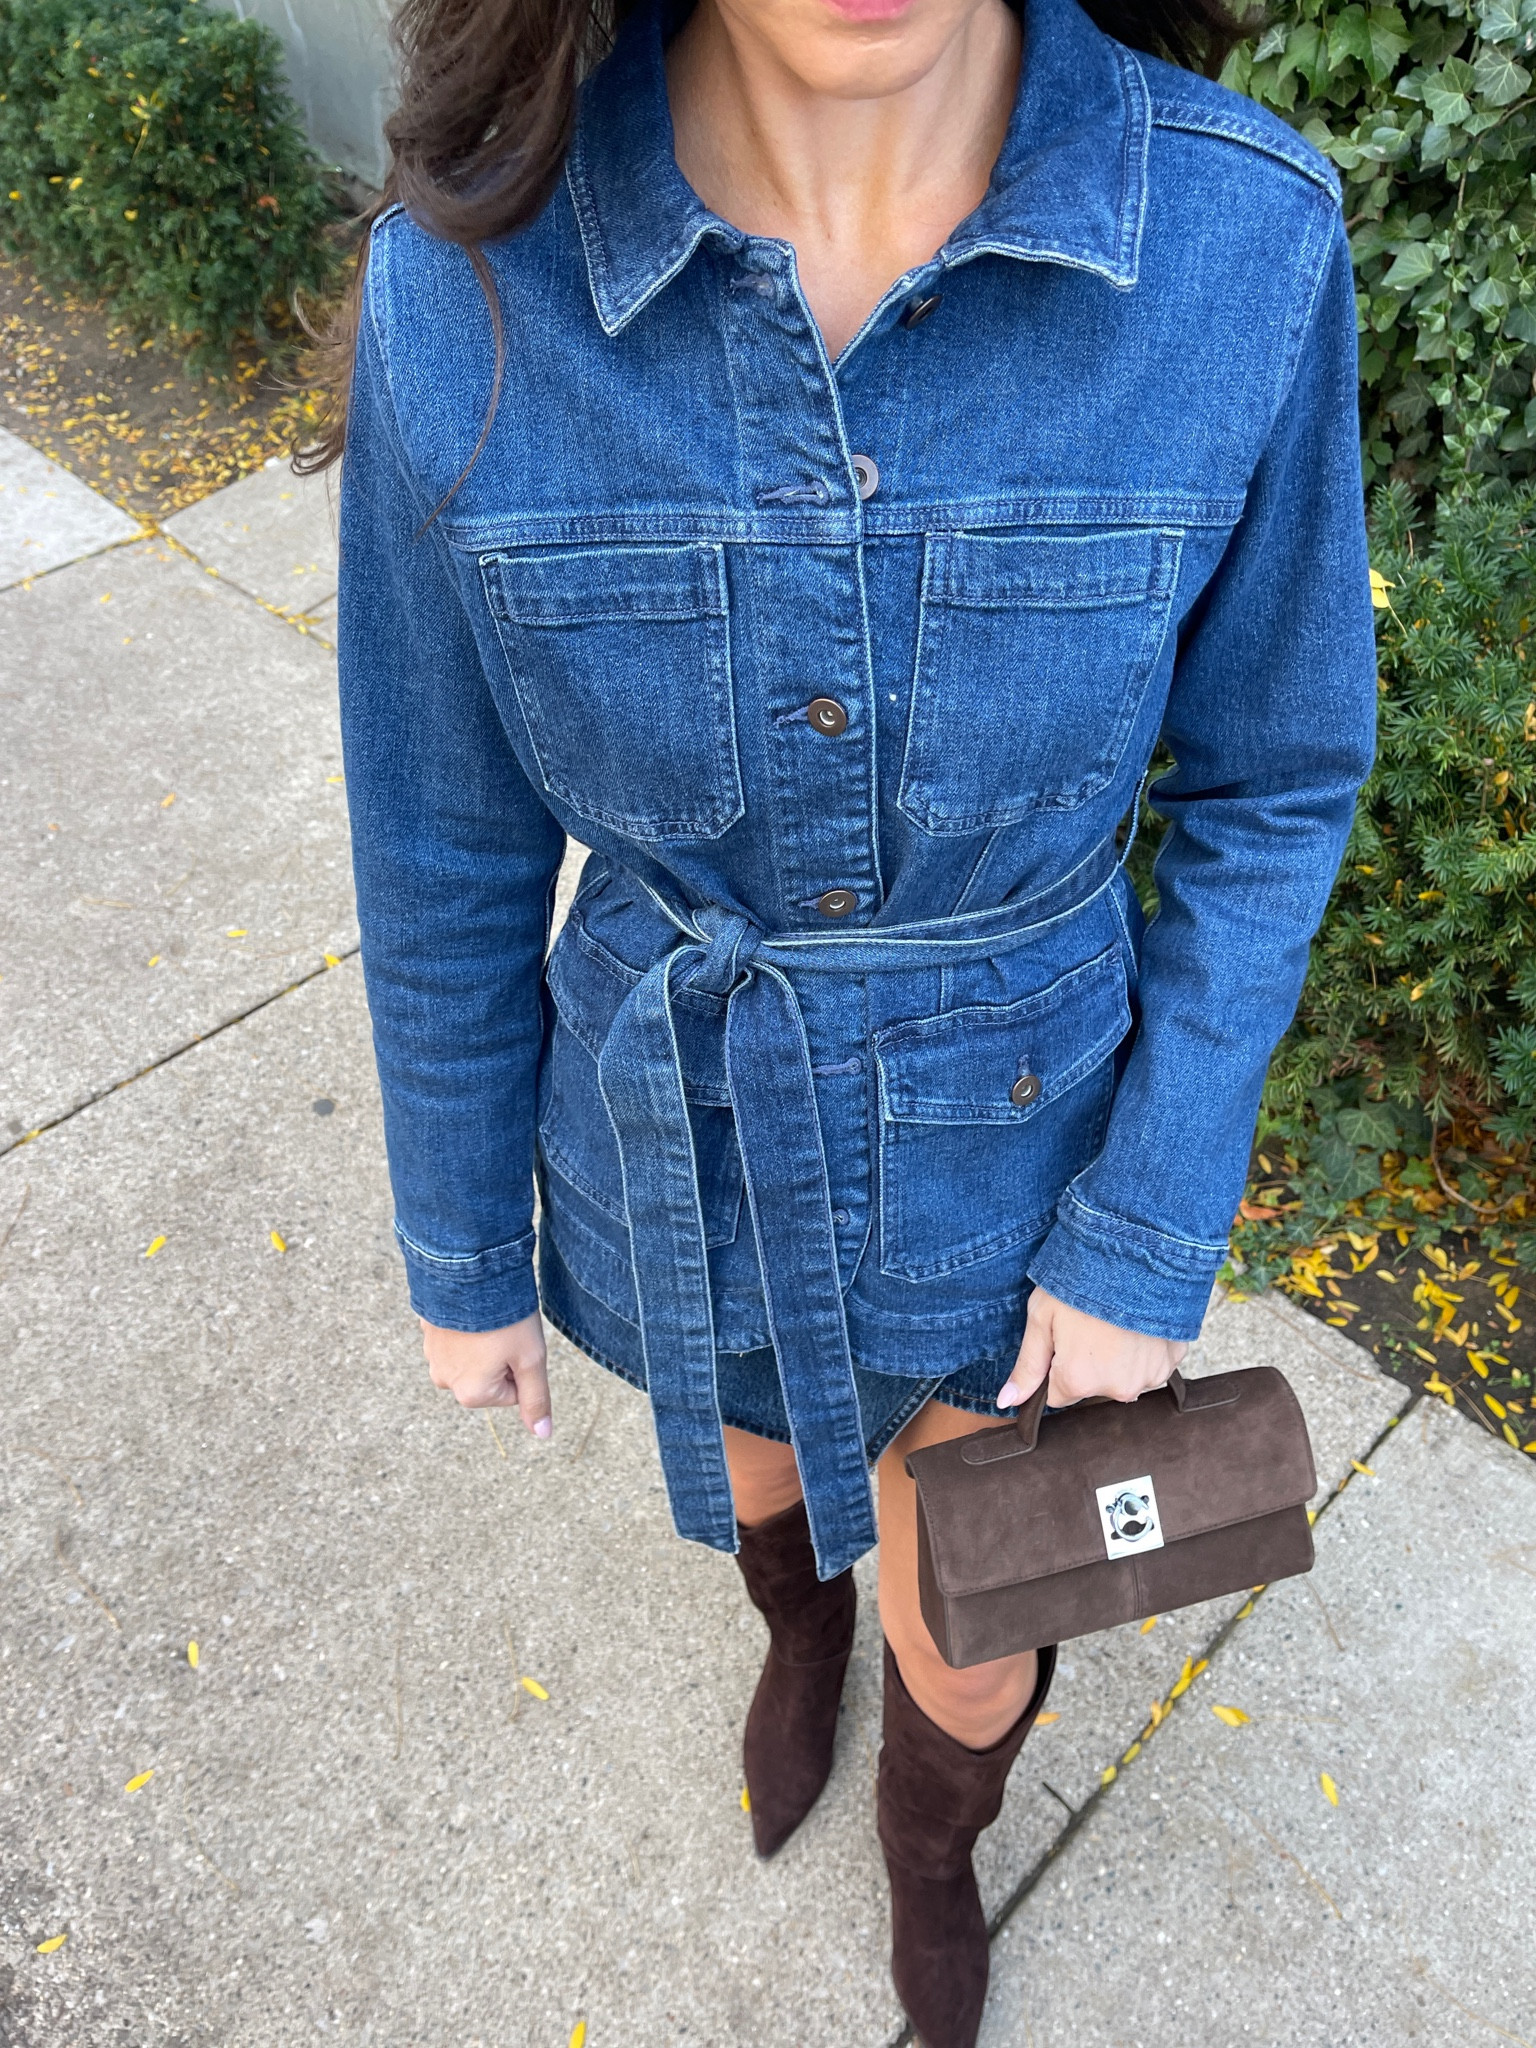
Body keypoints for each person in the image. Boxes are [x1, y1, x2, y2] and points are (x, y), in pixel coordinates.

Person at [314, 0, 1376, 2029]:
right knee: (768, 1472)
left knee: (978, 1602)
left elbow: (1277, 773)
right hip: (679, 1118)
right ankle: (796, 1638)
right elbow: (438, 831)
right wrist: (461, 1245)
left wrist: (1154, 1211)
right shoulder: (467, 278)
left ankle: (931, 1837)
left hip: (1033, 1143)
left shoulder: (1242, 240)